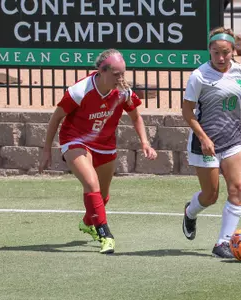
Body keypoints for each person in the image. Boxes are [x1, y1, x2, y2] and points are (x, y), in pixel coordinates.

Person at [39, 49, 157, 254]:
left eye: (123, 73)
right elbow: (56, 118)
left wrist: (145, 143)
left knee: (102, 196)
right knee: (91, 183)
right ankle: (106, 235)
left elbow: (136, 117)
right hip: (75, 140)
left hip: (105, 143)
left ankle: (88, 222)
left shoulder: (123, 92)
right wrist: (47, 150)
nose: (121, 79)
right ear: (101, 71)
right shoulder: (80, 90)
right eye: (116, 74)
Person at [181, 27, 241, 258]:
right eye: (216, 52)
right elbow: (187, 111)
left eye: (225, 52)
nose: (220, 57)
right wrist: (203, 137)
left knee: (237, 189)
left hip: (233, 140)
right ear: (209, 51)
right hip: (205, 144)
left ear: (233, 51)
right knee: (210, 196)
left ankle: (223, 243)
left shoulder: (240, 70)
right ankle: (190, 212)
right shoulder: (199, 76)